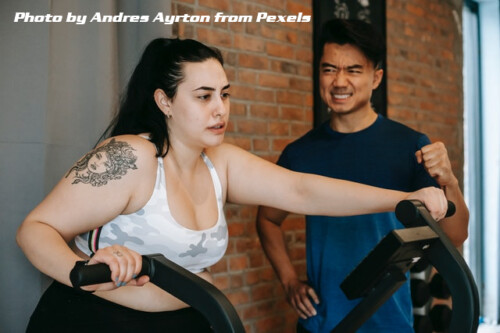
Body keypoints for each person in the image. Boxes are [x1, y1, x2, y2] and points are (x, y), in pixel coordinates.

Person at [17, 37, 449, 332]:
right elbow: (34, 230)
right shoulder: (130, 156)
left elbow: (302, 191)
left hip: (189, 321)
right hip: (95, 322)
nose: (219, 108)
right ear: (164, 101)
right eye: (203, 96)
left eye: (224, 94)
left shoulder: (218, 162)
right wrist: (82, 269)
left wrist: (404, 198)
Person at [256, 19, 469, 333]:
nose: (339, 81)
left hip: (389, 321)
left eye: (353, 70)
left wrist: (449, 180)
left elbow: (455, 236)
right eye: (329, 69)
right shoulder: (300, 153)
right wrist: (289, 279)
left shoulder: (410, 145)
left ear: (376, 77)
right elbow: (267, 219)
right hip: (323, 322)